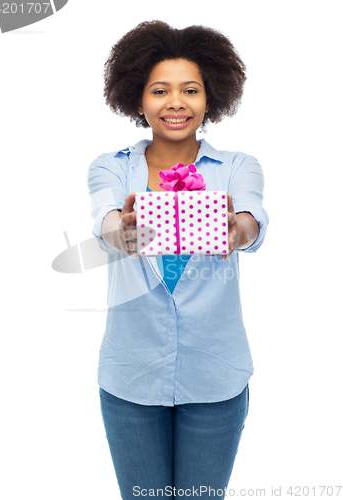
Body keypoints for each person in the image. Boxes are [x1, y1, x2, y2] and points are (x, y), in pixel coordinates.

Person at [87, 20, 269, 500]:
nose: (175, 102)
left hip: (215, 380)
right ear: (138, 98)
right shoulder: (112, 166)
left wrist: (237, 230)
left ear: (210, 97)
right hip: (131, 378)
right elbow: (104, 219)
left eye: (190, 90)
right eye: (159, 90)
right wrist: (119, 231)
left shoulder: (237, 167)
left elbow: (250, 219)